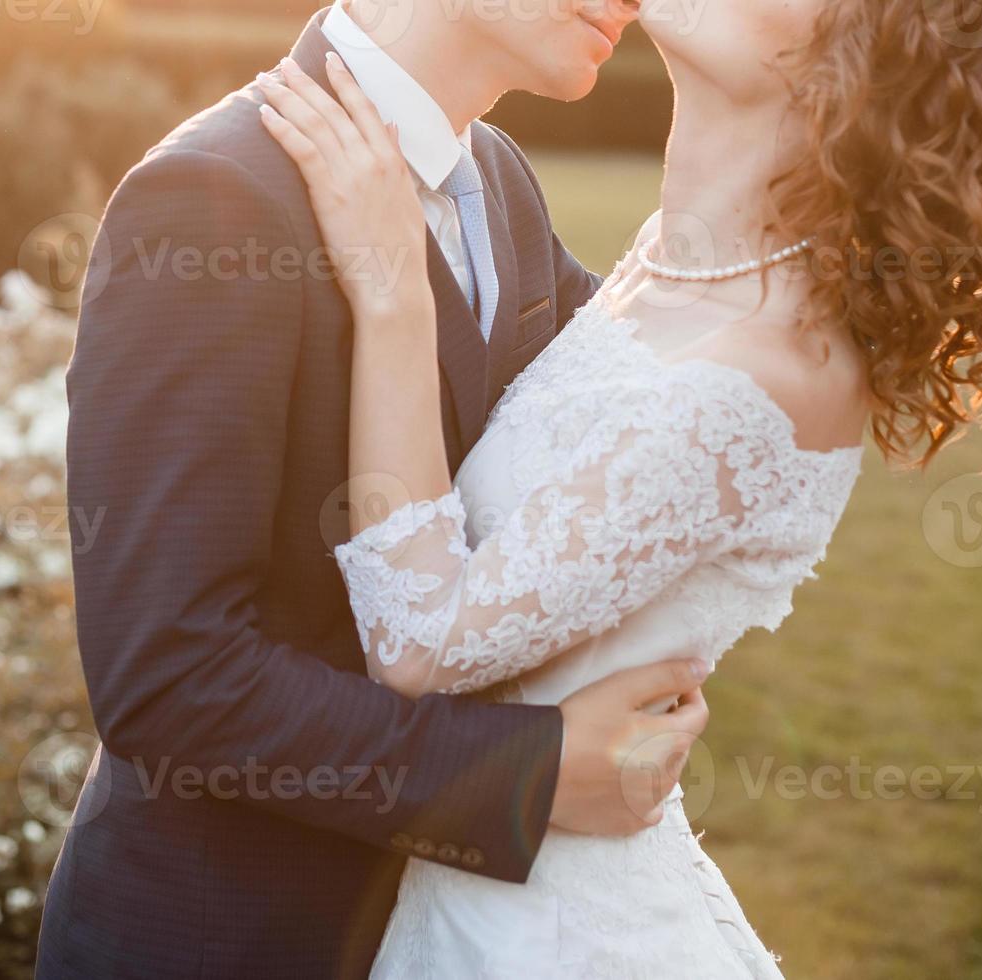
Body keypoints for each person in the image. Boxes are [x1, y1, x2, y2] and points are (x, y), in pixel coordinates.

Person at [248, 0, 982, 973]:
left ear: (843, 72)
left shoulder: (763, 378)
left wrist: (391, 291)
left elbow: (421, 641)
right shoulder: (665, 263)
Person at [38, 2, 714, 977]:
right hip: (228, 940)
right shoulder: (211, 197)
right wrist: (529, 774)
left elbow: (658, 387)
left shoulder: (501, 179)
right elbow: (166, 674)